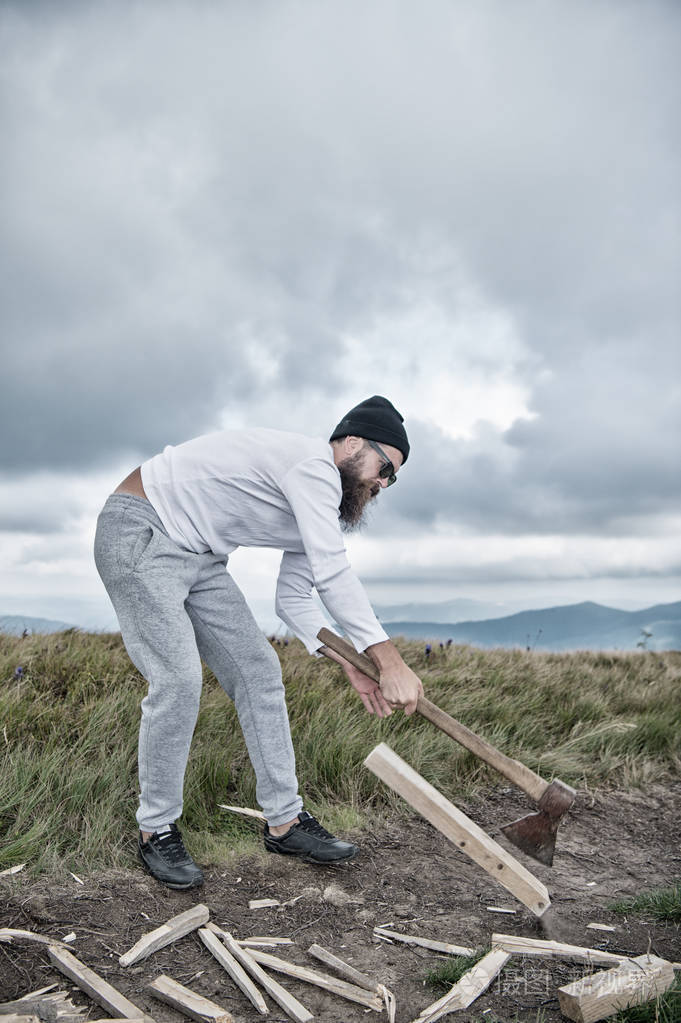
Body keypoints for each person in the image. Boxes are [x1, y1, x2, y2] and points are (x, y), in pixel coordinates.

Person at [94, 395, 424, 889]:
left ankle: (285, 823)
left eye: (391, 479)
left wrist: (349, 659)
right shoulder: (311, 467)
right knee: (178, 680)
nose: (382, 483)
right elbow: (334, 574)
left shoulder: (319, 508)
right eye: (384, 467)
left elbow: (294, 598)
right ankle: (155, 829)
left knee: (259, 673)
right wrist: (390, 661)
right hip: (141, 528)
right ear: (352, 443)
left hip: (200, 555)